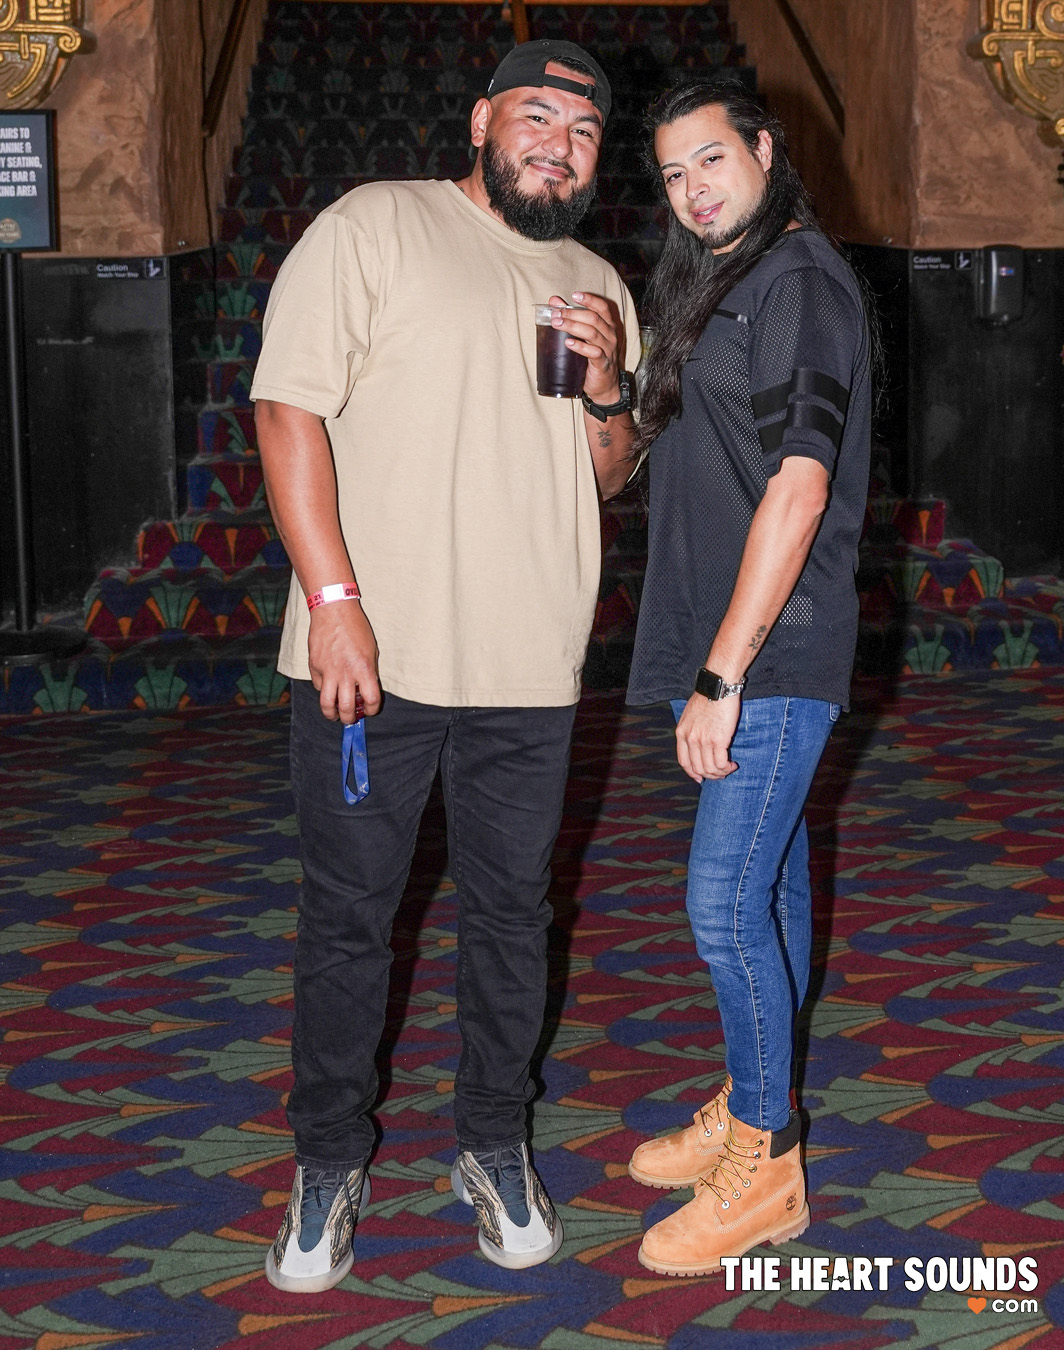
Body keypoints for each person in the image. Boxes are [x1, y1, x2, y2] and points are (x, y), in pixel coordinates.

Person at [252, 39, 640, 1291]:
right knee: (351, 919)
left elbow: (605, 475)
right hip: (376, 658)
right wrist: (335, 604)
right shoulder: (376, 224)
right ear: (481, 121)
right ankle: (328, 1159)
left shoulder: (595, 281)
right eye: (537, 116)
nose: (558, 145)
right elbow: (286, 409)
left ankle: (492, 1141)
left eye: (583, 131)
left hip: (531, 665)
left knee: (513, 920)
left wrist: (609, 388)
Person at [624, 79, 871, 1276]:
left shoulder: (801, 282)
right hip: (737, 637)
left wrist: (722, 675)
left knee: (722, 903)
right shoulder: (734, 279)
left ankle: (768, 1164)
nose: (693, 190)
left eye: (712, 159)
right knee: (765, 885)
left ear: (767, 150)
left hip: (773, 646)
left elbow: (800, 486)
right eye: (673, 174)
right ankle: (751, 1096)